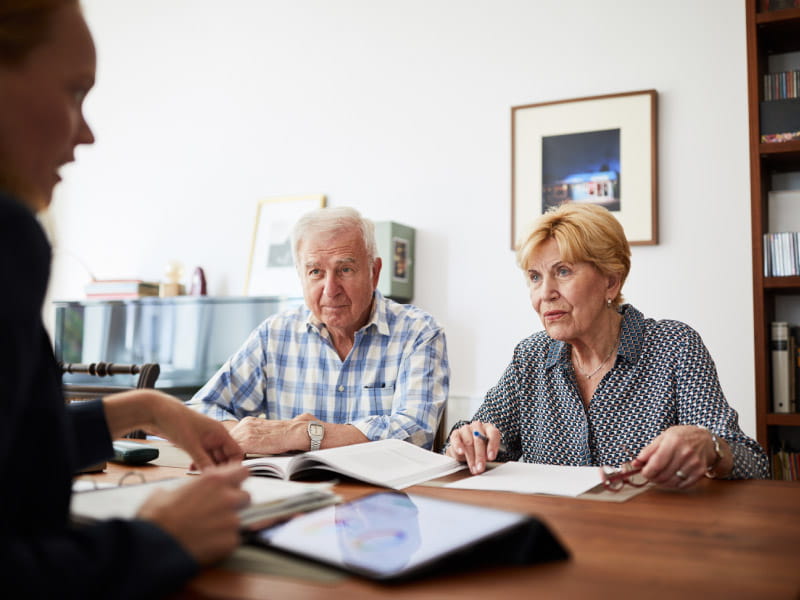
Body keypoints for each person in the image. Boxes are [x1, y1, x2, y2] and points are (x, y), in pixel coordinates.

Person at [0, 2, 251, 597]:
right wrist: (159, 539)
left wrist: (144, 408)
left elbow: (17, 454)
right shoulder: (9, 237)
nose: (86, 132)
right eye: (75, 92)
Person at [445, 202, 769, 488]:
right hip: (551, 537)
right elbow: (480, 435)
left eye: (563, 271)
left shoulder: (674, 347)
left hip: (646, 542)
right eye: (535, 277)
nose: (545, 293)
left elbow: (755, 465)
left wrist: (711, 448)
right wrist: (466, 440)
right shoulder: (530, 357)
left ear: (611, 281)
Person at [192, 206, 449, 454]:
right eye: (315, 272)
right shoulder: (274, 334)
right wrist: (245, 435)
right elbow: (200, 409)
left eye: (345, 270)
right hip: (291, 492)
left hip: (386, 493)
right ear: (300, 276)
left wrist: (303, 434)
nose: (330, 289)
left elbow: (415, 434)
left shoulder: (418, 332)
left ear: (374, 272)